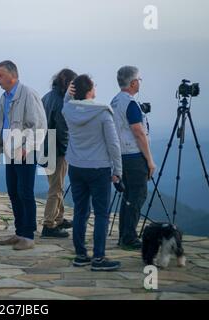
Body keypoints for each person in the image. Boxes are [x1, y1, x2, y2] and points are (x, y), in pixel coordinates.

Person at [62, 74, 122, 271]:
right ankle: (98, 258)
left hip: (76, 167)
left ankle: (81, 255)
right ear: (90, 91)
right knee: (101, 214)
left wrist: (67, 94)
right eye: (94, 86)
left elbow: (67, 104)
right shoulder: (103, 113)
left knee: (80, 211)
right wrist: (118, 171)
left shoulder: (68, 110)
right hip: (99, 168)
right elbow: (113, 144)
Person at [0, 60, 47, 250]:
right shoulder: (4, 97)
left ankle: (28, 236)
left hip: (25, 152)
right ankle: (19, 232)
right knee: (13, 191)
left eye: (0, 75)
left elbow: (39, 125)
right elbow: (1, 123)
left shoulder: (28, 94)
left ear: (13, 75)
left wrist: (27, 147)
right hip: (10, 150)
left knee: (25, 192)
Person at [111, 66, 156, 250]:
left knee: (128, 196)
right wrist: (150, 160)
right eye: (139, 79)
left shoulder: (114, 101)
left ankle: (124, 235)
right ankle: (128, 237)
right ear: (133, 82)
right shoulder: (130, 103)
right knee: (138, 194)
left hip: (120, 155)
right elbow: (138, 132)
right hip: (134, 155)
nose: (140, 82)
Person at [40, 68, 77, 238]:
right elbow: (63, 131)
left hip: (44, 148)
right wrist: (68, 151)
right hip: (57, 150)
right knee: (56, 188)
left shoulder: (46, 97)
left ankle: (59, 218)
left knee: (55, 185)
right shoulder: (62, 102)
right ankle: (49, 225)